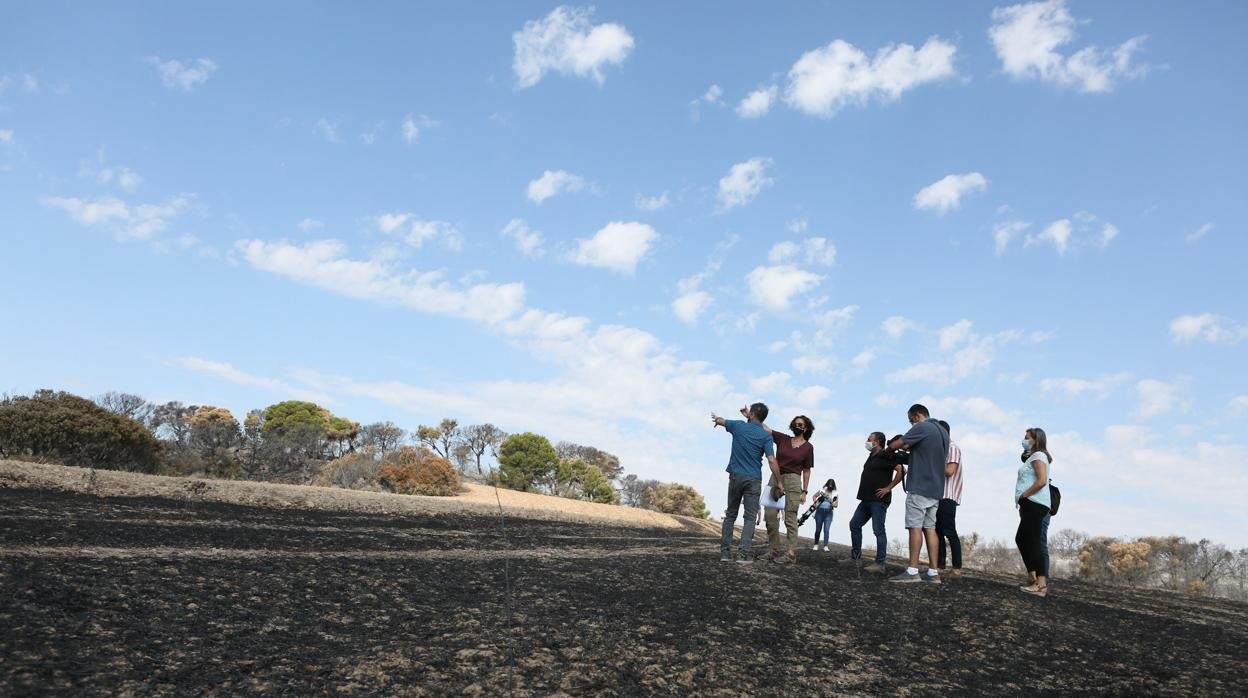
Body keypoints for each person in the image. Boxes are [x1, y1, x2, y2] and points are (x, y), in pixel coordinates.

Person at [886, 404, 949, 584]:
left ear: (918, 414)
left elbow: (898, 443)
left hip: (920, 486)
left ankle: (912, 571)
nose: (910, 423)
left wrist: (889, 449)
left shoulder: (923, 426)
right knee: (930, 528)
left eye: (910, 419)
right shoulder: (943, 432)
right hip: (936, 489)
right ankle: (933, 572)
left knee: (914, 527)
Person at [711, 403, 779, 563]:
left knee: (730, 515)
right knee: (750, 517)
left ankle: (725, 554)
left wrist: (716, 419)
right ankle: (742, 555)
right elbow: (771, 459)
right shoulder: (765, 435)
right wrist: (779, 481)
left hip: (735, 476)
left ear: (753, 413)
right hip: (753, 479)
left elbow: (721, 420)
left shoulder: (738, 426)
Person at [758, 414, 815, 564]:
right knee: (770, 516)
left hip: (794, 481)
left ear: (806, 428)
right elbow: (767, 429)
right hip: (776, 477)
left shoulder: (808, 447)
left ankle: (790, 554)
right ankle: (773, 550)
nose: (798, 426)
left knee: (790, 518)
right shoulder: (783, 439)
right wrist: (753, 416)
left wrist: (805, 491)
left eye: (801, 424)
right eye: (796, 423)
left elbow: (807, 470)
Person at [848, 431, 904, 573]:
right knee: (854, 524)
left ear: (877, 442)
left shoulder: (886, 455)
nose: (867, 441)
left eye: (869, 439)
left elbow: (902, 471)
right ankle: (855, 557)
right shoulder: (871, 456)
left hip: (878, 501)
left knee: (878, 530)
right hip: (866, 499)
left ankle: (880, 564)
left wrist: (888, 488)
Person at [1015, 427, 1053, 596]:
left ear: (1036, 440)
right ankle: (1033, 577)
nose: (1024, 440)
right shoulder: (1032, 457)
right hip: (1029, 503)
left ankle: (1041, 585)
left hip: (1035, 503)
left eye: (1027, 438)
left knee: (1034, 541)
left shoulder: (1039, 456)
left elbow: (1042, 480)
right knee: (1022, 539)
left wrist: (1024, 495)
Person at [935, 419, 964, 576]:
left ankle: (957, 566)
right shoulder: (941, 449)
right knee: (937, 531)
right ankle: (940, 565)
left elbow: (950, 471)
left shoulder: (952, 448)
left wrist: (931, 464)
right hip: (937, 495)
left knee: (949, 531)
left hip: (948, 495)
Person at [810, 478, 838, 552]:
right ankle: (816, 545)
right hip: (819, 511)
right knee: (818, 529)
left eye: (831, 486)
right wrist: (816, 502)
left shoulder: (835, 494)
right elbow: (814, 496)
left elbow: (836, 505)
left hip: (829, 513)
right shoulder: (822, 490)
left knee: (826, 530)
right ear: (827, 485)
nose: (830, 488)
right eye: (829, 486)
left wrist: (833, 503)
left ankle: (825, 546)